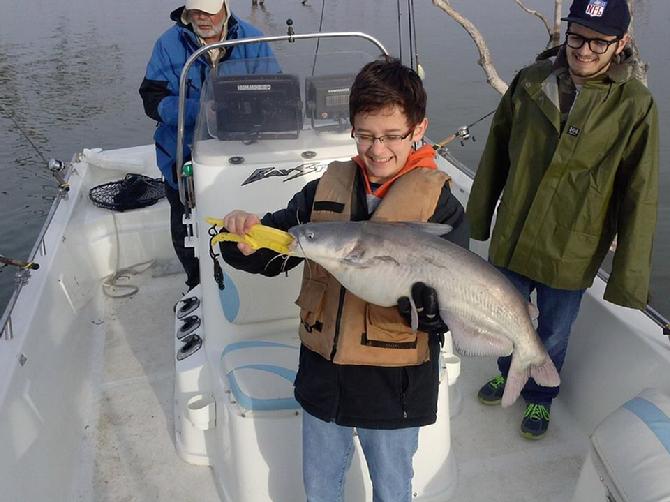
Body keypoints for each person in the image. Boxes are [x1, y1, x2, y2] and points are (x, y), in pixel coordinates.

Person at [220, 58, 469, 501]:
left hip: (394, 388)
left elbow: (452, 307)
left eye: (393, 136)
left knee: (392, 490)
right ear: (352, 128)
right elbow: (276, 250)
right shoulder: (323, 190)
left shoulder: (442, 209)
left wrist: (434, 314)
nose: (378, 150)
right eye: (367, 135)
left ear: (418, 130)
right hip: (323, 378)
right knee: (320, 489)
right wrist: (242, 237)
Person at [467, 0, 658, 440]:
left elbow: (640, 193)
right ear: (565, 31)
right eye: (577, 36)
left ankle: (539, 396)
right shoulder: (531, 81)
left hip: (572, 248)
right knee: (503, 315)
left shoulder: (635, 106)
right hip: (514, 233)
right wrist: (477, 219)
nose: (584, 50)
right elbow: (496, 151)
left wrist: (628, 276)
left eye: (598, 41)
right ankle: (505, 370)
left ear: (621, 43)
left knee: (553, 331)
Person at [139, 0, 278, 291]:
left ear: (224, 6)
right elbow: (152, 100)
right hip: (183, 157)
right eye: (196, 11)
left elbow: (276, 92)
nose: (202, 17)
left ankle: (244, 285)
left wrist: (246, 111)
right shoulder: (167, 44)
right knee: (185, 228)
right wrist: (201, 110)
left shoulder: (253, 39)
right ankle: (196, 284)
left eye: (208, 10)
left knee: (244, 222)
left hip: (242, 156)